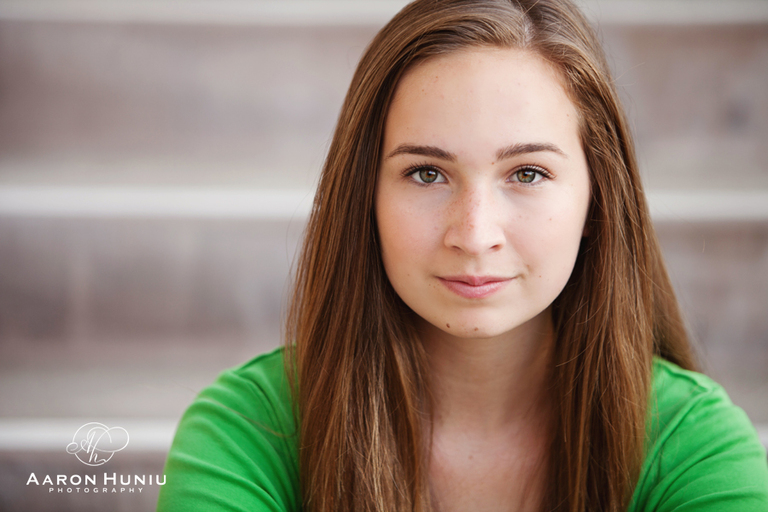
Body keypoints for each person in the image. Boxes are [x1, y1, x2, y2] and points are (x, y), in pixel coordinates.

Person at [156, 1, 768, 511]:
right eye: (427, 173)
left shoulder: (693, 444)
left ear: (598, 202)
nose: (474, 235)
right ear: (365, 197)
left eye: (527, 173)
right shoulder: (248, 432)